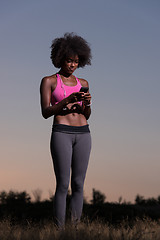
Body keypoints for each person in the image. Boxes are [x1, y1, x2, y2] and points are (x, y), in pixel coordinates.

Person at [40, 33, 92, 227]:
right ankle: (59, 230)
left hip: (84, 134)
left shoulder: (84, 83)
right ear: (60, 58)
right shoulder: (49, 81)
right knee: (63, 184)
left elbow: (87, 114)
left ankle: (75, 230)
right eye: (69, 60)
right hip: (61, 132)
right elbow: (46, 112)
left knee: (78, 184)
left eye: (76, 62)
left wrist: (86, 104)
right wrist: (67, 101)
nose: (72, 65)